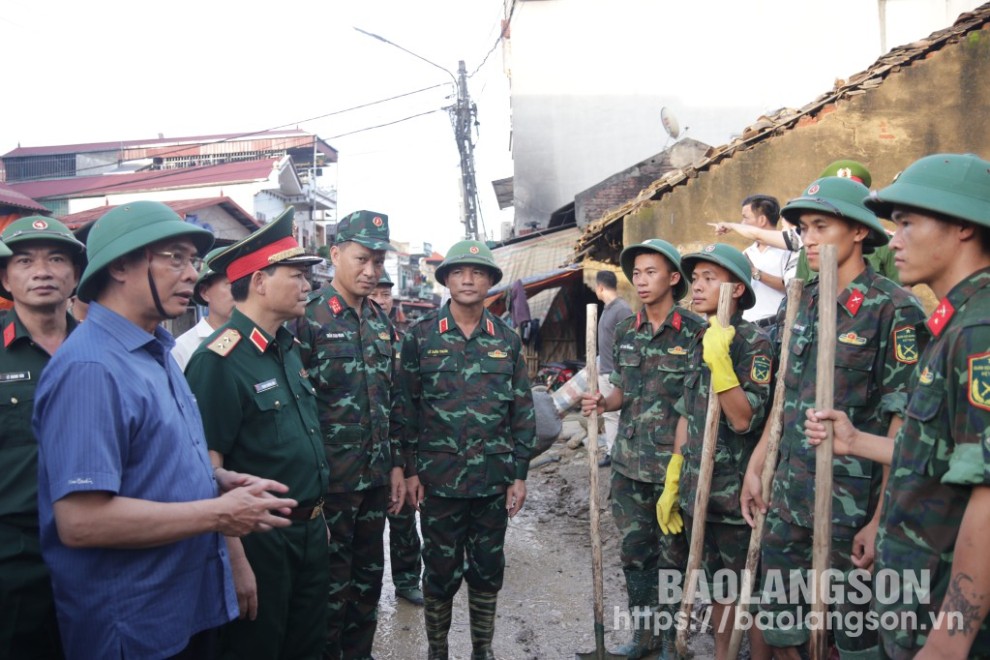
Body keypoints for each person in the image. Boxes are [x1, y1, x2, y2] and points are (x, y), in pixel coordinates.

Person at [33, 200, 297, 659]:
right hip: (134, 627)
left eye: (192, 260)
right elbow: (80, 521)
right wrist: (219, 515)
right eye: (175, 257)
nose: (193, 274)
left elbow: (142, 460)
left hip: (183, 609)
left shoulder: (154, 350)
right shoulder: (92, 367)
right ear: (120, 265)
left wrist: (214, 481)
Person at [804, 153, 990, 657]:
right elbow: (947, 453)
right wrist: (857, 441)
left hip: (946, 618)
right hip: (916, 596)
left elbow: (989, 496)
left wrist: (952, 636)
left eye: (907, 222)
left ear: (963, 228)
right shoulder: (954, 324)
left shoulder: (979, 332)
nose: (896, 239)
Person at [738, 177, 928, 659]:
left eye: (822, 225)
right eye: (804, 228)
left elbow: (900, 423)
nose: (810, 238)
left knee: (849, 641)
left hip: (850, 510)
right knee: (783, 630)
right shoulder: (802, 301)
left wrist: (880, 520)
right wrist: (758, 466)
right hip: (788, 498)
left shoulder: (894, 309)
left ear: (860, 231)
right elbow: (786, 394)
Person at [185, 208, 330, 659]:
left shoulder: (288, 348)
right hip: (259, 541)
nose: (308, 285)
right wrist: (235, 557)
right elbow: (207, 471)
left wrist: (316, 517)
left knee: (306, 648)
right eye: (297, 273)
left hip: (308, 532)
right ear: (260, 281)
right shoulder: (218, 360)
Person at [394, 240, 535, 660]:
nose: (468, 279)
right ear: (447, 280)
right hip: (439, 481)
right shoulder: (420, 338)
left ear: (491, 280)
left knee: (488, 572)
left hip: (492, 481)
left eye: (477, 272)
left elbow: (522, 412)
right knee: (438, 573)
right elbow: (406, 408)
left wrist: (520, 474)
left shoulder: (506, 340)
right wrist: (411, 470)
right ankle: (438, 651)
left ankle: (482, 650)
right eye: (458, 272)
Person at [580, 239, 705, 658]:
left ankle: (672, 641)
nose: (641, 280)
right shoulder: (624, 330)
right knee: (635, 555)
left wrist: (679, 467)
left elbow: (695, 405)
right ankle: (643, 634)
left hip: (673, 466)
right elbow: (622, 394)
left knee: (673, 559)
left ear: (673, 278)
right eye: (636, 273)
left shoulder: (695, 332)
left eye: (651, 272)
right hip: (629, 465)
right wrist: (602, 402)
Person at [291, 209, 405, 659]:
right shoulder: (308, 318)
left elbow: (393, 402)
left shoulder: (380, 322)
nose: (371, 270)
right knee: (327, 586)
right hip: (329, 486)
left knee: (367, 582)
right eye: (361, 259)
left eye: (378, 262)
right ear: (335, 254)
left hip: (374, 481)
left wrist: (398, 466)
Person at [659, 243, 773, 660]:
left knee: (752, 596)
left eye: (711, 278)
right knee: (720, 591)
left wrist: (721, 362)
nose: (698, 286)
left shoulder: (754, 344)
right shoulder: (699, 336)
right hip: (699, 492)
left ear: (737, 289)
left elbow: (743, 419)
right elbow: (687, 413)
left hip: (734, 498)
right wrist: (675, 475)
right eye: (697, 277)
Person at [0, 217, 82, 660]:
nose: (42, 271)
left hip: (98, 547)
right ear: (5, 278)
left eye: (56, 259)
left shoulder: (101, 349)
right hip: (14, 555)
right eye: (25, 261)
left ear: (75, 274)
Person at [369, 271, 425, 606]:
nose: (381, 299)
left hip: (400, 442)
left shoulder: (402, 340)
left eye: (386, 294)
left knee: (403, 516)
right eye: (375, 294)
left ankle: (406, 580)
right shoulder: (356, 336)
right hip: (368, 448)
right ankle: (366, 590)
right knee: (368, 527)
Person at [593, 269, 633, 468]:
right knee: (609, 415)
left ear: (600, 287)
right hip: (606, 369)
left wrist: (623, 371)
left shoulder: (622, 309)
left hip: (617, 372)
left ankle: (623, 454)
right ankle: (612, 452)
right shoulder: (608, 308)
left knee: (620, 413)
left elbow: (630, 341)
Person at [737, 194, 797, 326]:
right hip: (748, 325)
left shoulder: (789, 251)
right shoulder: (746, 253)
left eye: (745, 218)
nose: (742, 224)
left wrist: (755, 272)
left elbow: (793, 287)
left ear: (762, 220)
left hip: (776, 324)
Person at [172, 246, 234, 370]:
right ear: (205, 292)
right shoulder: (183, 348)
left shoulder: (257, 341)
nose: (242, 294)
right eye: (232, 285)